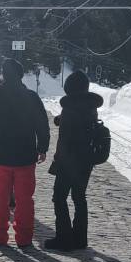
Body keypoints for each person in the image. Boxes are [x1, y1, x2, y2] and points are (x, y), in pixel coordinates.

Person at [0, 59, 50, 248]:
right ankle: (24, 238)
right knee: (24, 199)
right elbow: (42, 124)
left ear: (3, 75)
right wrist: (42, 148)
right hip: (26, 157)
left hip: (0, 157)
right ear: (20, 75)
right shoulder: (31, 97)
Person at [46, 71, 104, 250]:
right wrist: (60, 120)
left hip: (68, 161)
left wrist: (57, 161)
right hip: (87, 160)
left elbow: (65, 139)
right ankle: (80, 238)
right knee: (79, 197)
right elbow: (80, 122)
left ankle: (64, 238)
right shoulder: (90, 106)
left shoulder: (70, 108)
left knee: (59, 197)